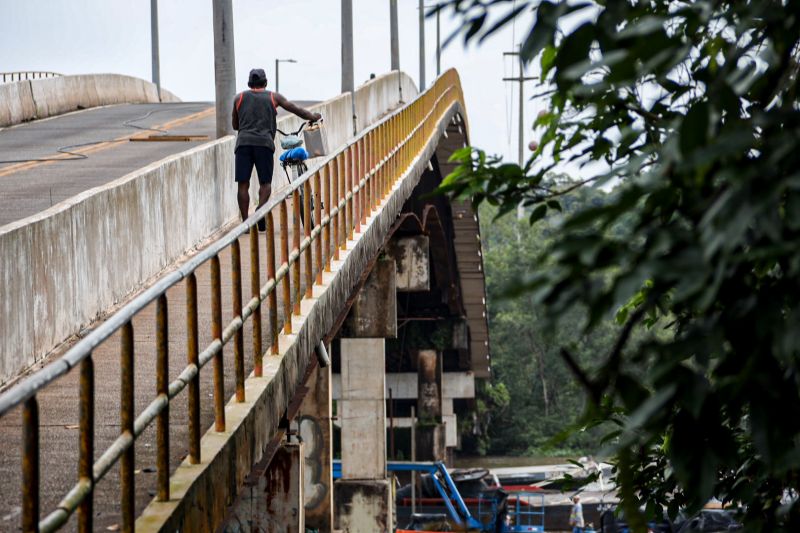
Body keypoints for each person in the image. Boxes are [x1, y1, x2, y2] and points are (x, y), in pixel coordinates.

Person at [232, 68, 321, 229]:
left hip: (243, 144)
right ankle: (259, 212)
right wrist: (313, 117)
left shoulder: (239, 98)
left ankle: (245, 224)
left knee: (243, 184)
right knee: (265, 184)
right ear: (265, 83)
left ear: (249, 83)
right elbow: (296, 109)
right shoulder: (273, 97)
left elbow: (235, 125)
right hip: (264, 144)